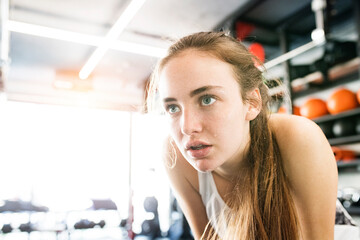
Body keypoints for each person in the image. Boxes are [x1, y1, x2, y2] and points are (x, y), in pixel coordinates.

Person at [146, 31, 359, 239]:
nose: (187, 127)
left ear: (252, 103)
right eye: (173, 108)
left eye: (207, 99)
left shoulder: (298, 137)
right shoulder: (176, 155)